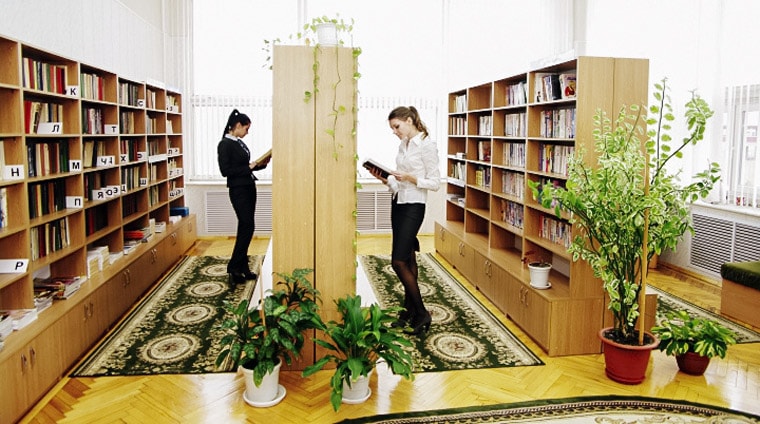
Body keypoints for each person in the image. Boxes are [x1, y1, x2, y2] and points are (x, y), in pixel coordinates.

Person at [367, 106, 440, 335]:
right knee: (407, 258)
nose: (395, 132)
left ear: (409, 121)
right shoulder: (404, 145)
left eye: (397, 126)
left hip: (414, 206)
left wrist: (411, 177)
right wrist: (385, 179)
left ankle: (422, 313)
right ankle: (408, 312)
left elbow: (435, 182)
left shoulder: (427, 145)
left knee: (397, 261)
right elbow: (398, 184)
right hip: (398, 202)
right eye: (393, 128)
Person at [217, 109, 271, 286]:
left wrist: (261, 164)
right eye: (246, 128)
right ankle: (234, 266)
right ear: (238, 125)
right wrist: (249, 167)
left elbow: (245, 166)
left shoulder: (238, 143)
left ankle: (242, 266)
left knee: (247, 227)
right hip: (238, 190)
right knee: (247, 226)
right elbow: (226, 171)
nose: (247, 132)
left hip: (248, 187)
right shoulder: (225, 144)